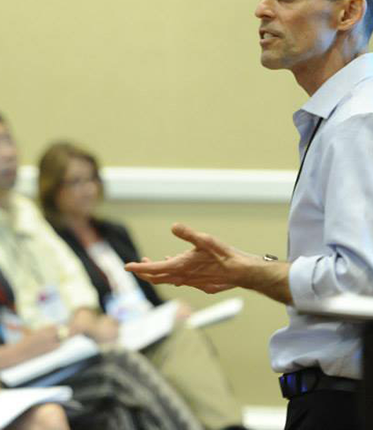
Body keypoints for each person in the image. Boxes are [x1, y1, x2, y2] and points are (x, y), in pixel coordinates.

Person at [125, 0, 373, 430]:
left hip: (355, 408)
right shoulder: (364, 109)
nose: (261, 10)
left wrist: (246, 273)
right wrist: (247, 264)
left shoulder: (361, 121)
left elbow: (367, 288)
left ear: (348, 13)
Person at [0, 114, 202, 430]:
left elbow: (71, 276)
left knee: (120, 408)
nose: (8, 153)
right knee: (117, 370)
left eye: (8, 140)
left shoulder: (22, 211)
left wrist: (81, 314)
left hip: (56, 350)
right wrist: (17, 352)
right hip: (22, 367)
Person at [37, 142, 245, 430]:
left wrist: (170, 309)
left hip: (146, 326)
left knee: (184, 336)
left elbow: (147, 292)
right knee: (181, 346)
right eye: (75, 182)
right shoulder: (50, 242)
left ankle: (227, 425)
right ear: (52, 189)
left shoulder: (114, 232)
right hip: (110, 339)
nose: (88, 189)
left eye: (92, 179)